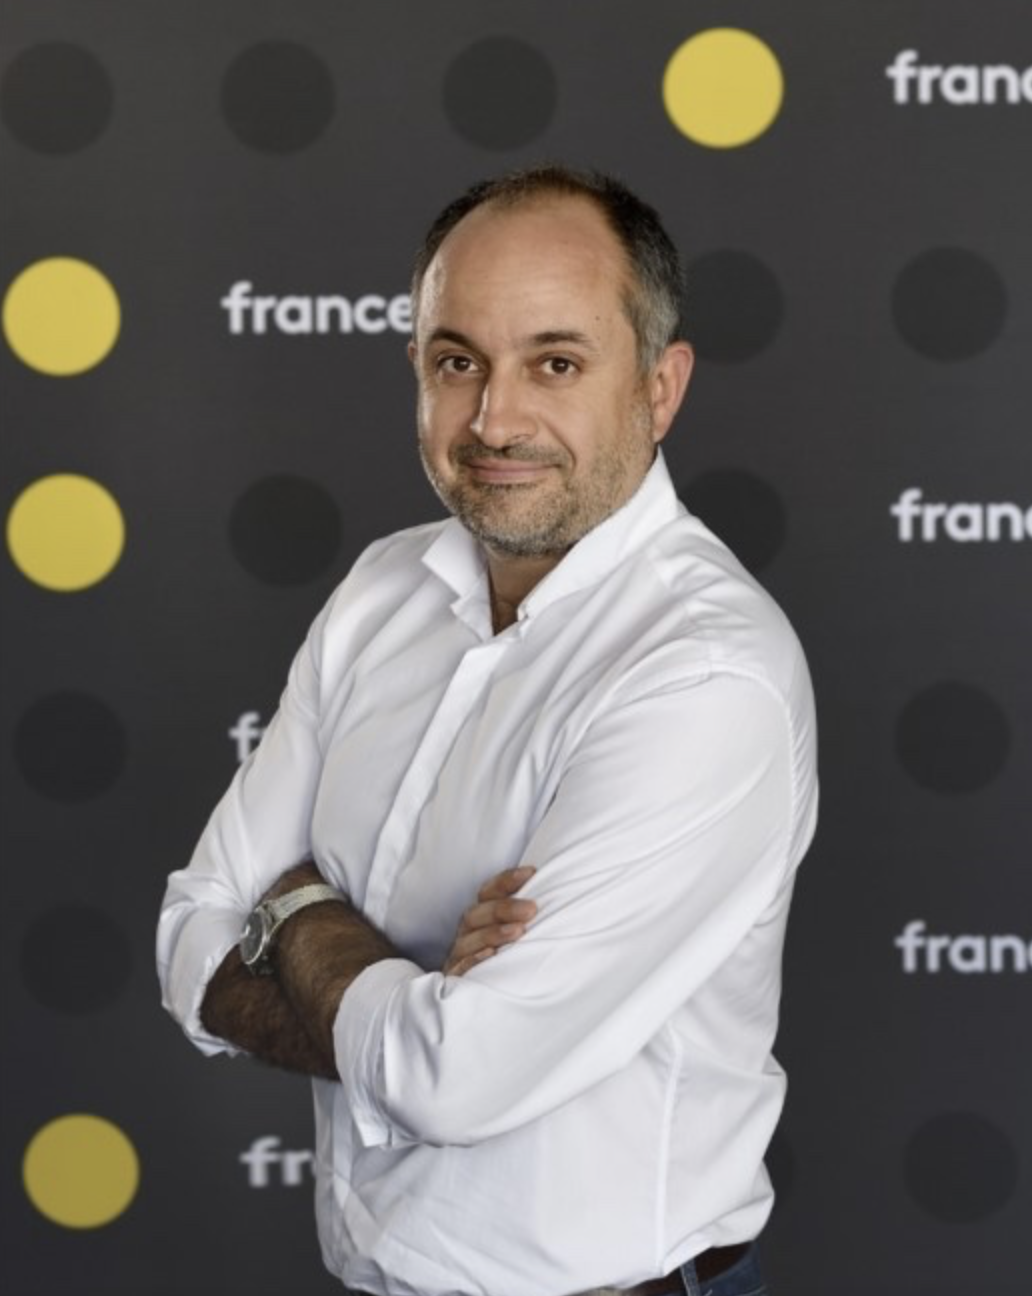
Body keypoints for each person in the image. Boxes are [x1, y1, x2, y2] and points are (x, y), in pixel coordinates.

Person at [157, 164, 817, 1296]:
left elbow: (455, 1077)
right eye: (457, 361)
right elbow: (192, 943)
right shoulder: (382, 590)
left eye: (555, 363)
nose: (495, 420)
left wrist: (298, 907)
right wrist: (411, 995)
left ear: (659, 388)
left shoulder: (704, 673)